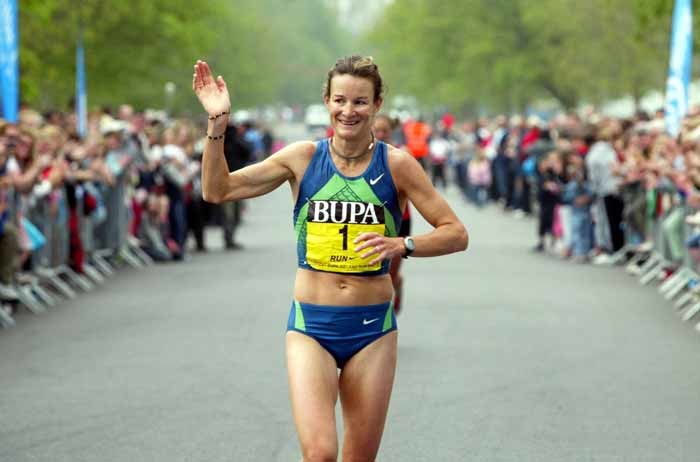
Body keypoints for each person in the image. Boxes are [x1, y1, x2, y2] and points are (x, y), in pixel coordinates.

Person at [193, 55, 468, 461]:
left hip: (372, 329)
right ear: (326, 101)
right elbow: (217, 190)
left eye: (360, 101)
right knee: (320, 453)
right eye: (340, 100)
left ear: (376, 105)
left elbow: (456, 233)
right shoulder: (303, 158)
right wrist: (217, 125)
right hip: (311, 326)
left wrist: (402, 245)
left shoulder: (397, 165)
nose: (348, 111)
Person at [372, 114, 411, 315]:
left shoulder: (401, 157)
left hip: (399, 220)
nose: (380, 134)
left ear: (391, 132)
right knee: (374, 274)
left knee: (390, 273)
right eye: (376, 130)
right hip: (372, 220)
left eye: (384, 131)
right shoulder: (361, 156)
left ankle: (397, 283)